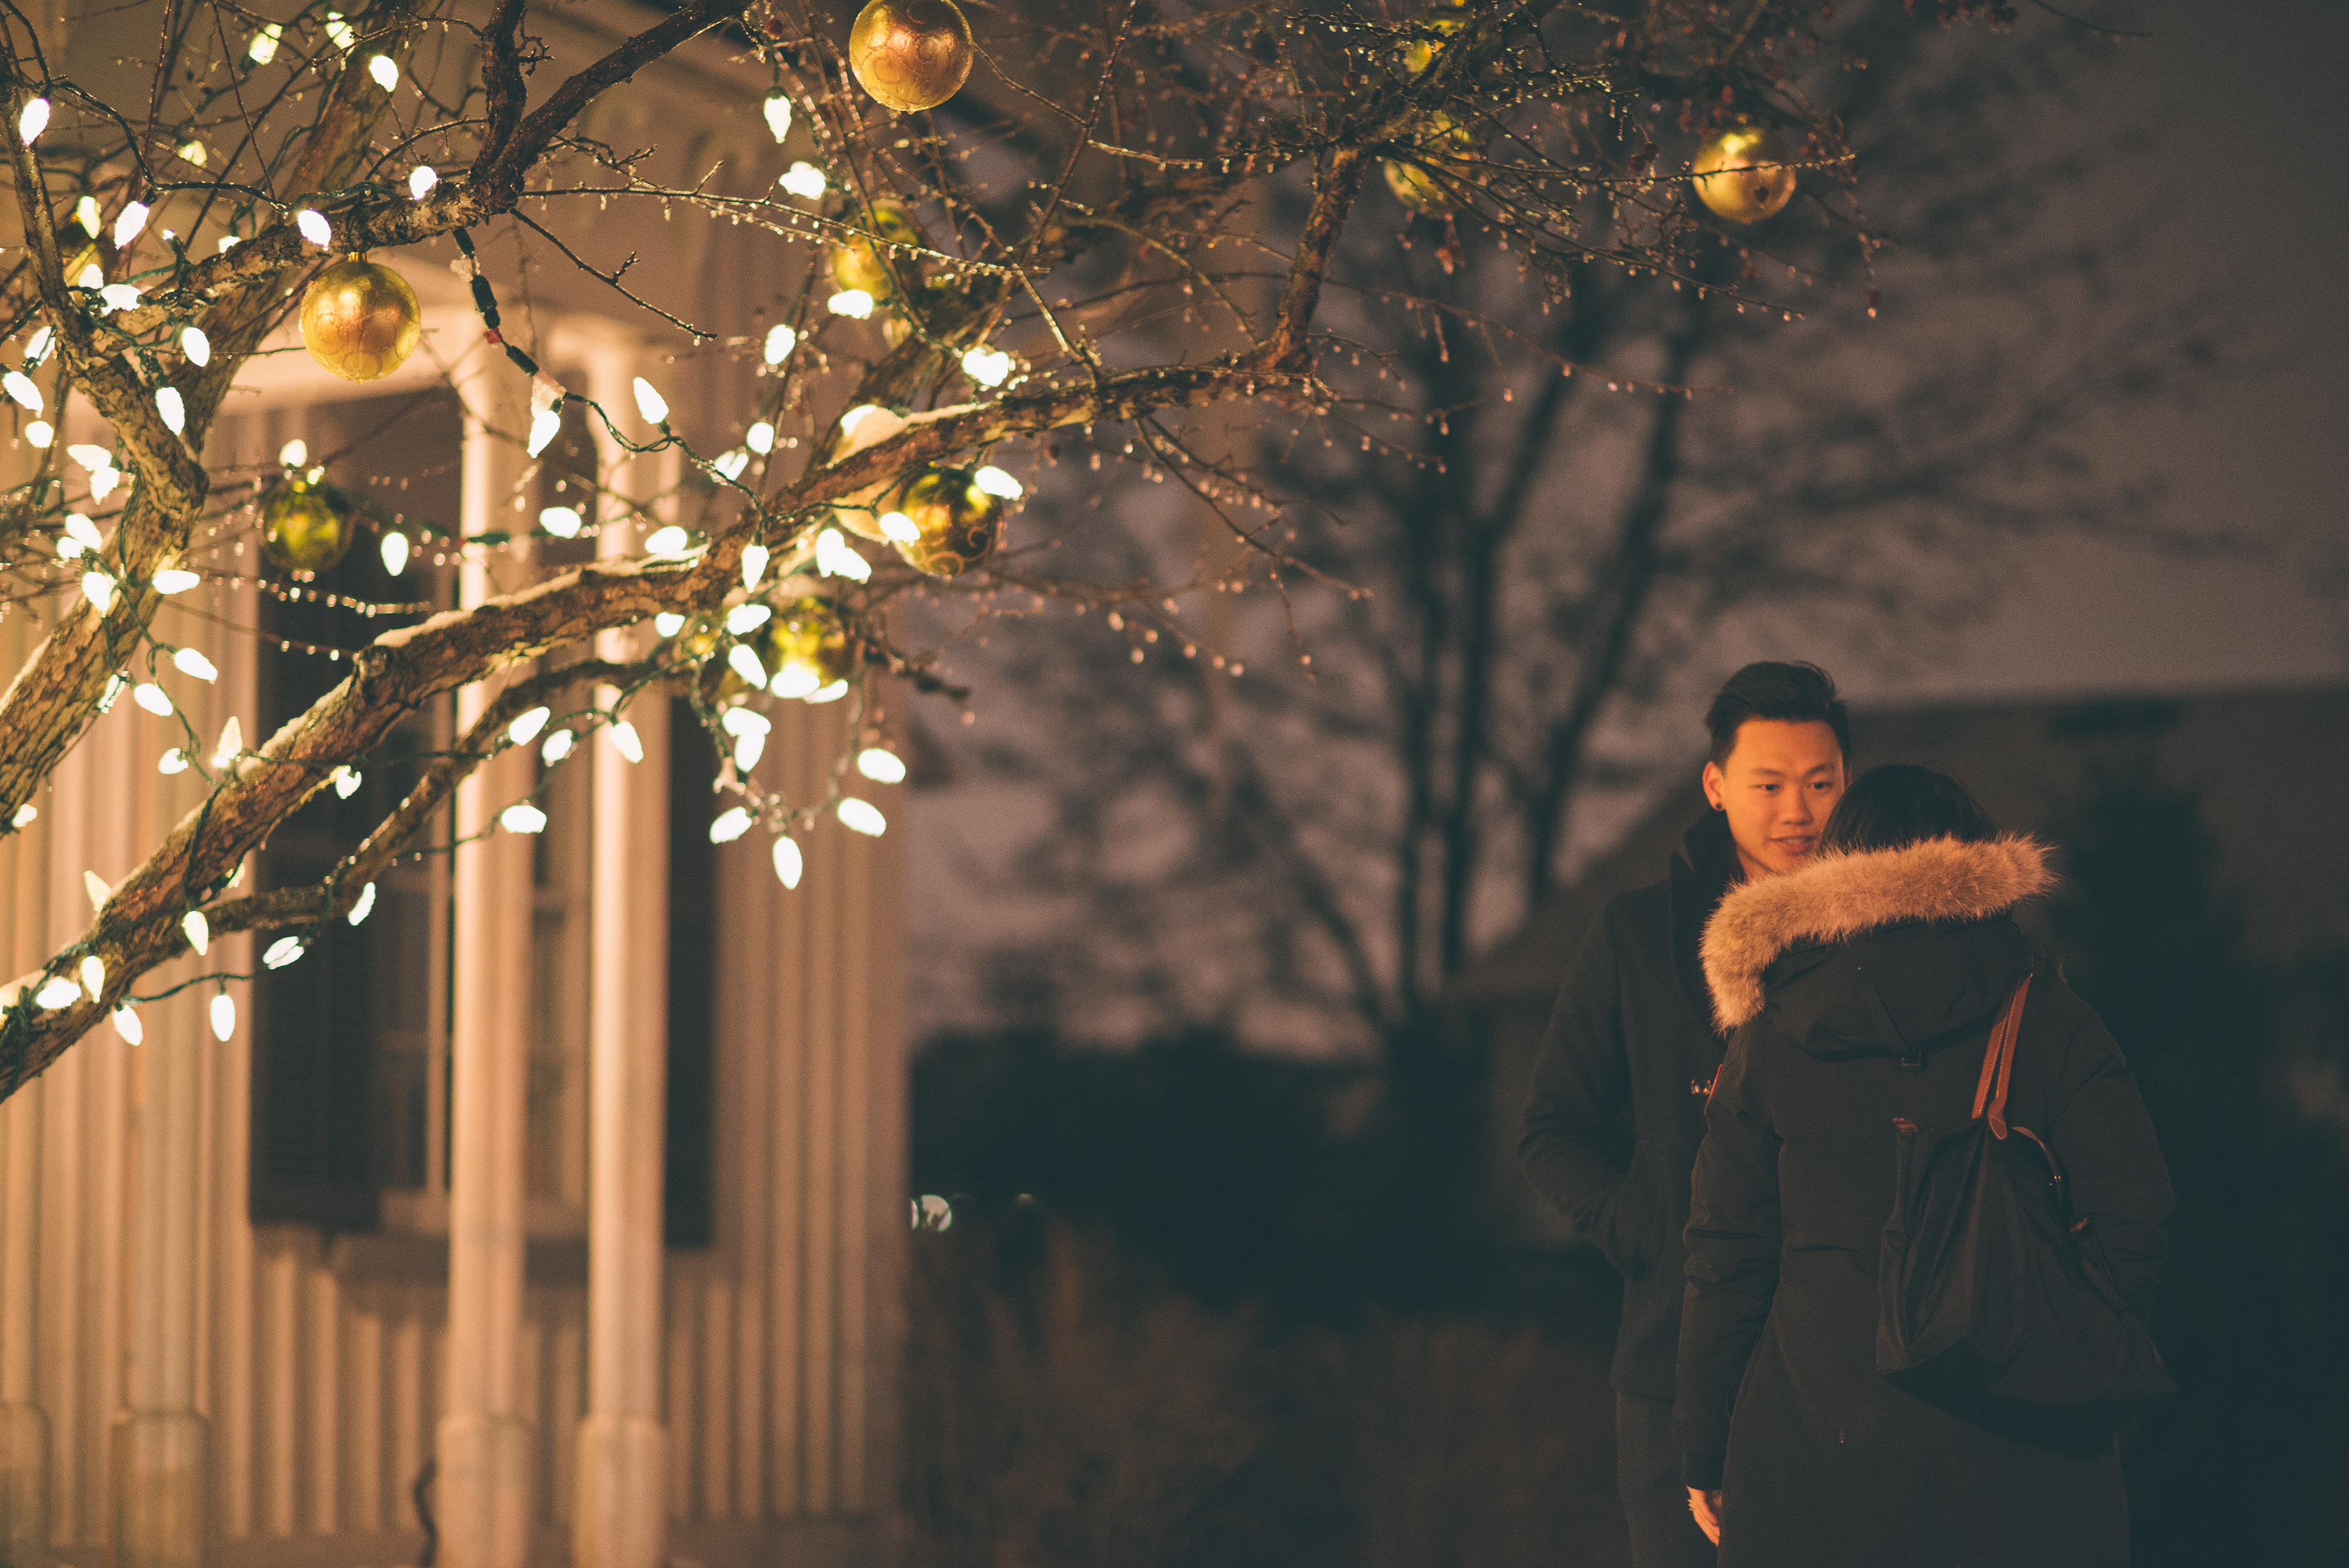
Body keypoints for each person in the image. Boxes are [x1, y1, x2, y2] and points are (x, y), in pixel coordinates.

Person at [1674, 764, 2173, 1567]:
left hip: (1815, 1453)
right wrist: (2065, 1355)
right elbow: (2134, 1221)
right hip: (2027, 1464)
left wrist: (1703, 1442)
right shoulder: (2052, 1018)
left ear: (1834, 874)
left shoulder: (1771, 1036)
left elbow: (1726, 1255)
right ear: (1981, 867)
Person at [1520, 661, 1850, 1568]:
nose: (1797, 811)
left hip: (1849, 1358)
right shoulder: (1639, 934)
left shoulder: (1877, 936)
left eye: (1820, 783)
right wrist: (1648, 1228)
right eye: (1768, 785)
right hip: (1678, 1356)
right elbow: (1550, 1125)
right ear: (1715, 786)